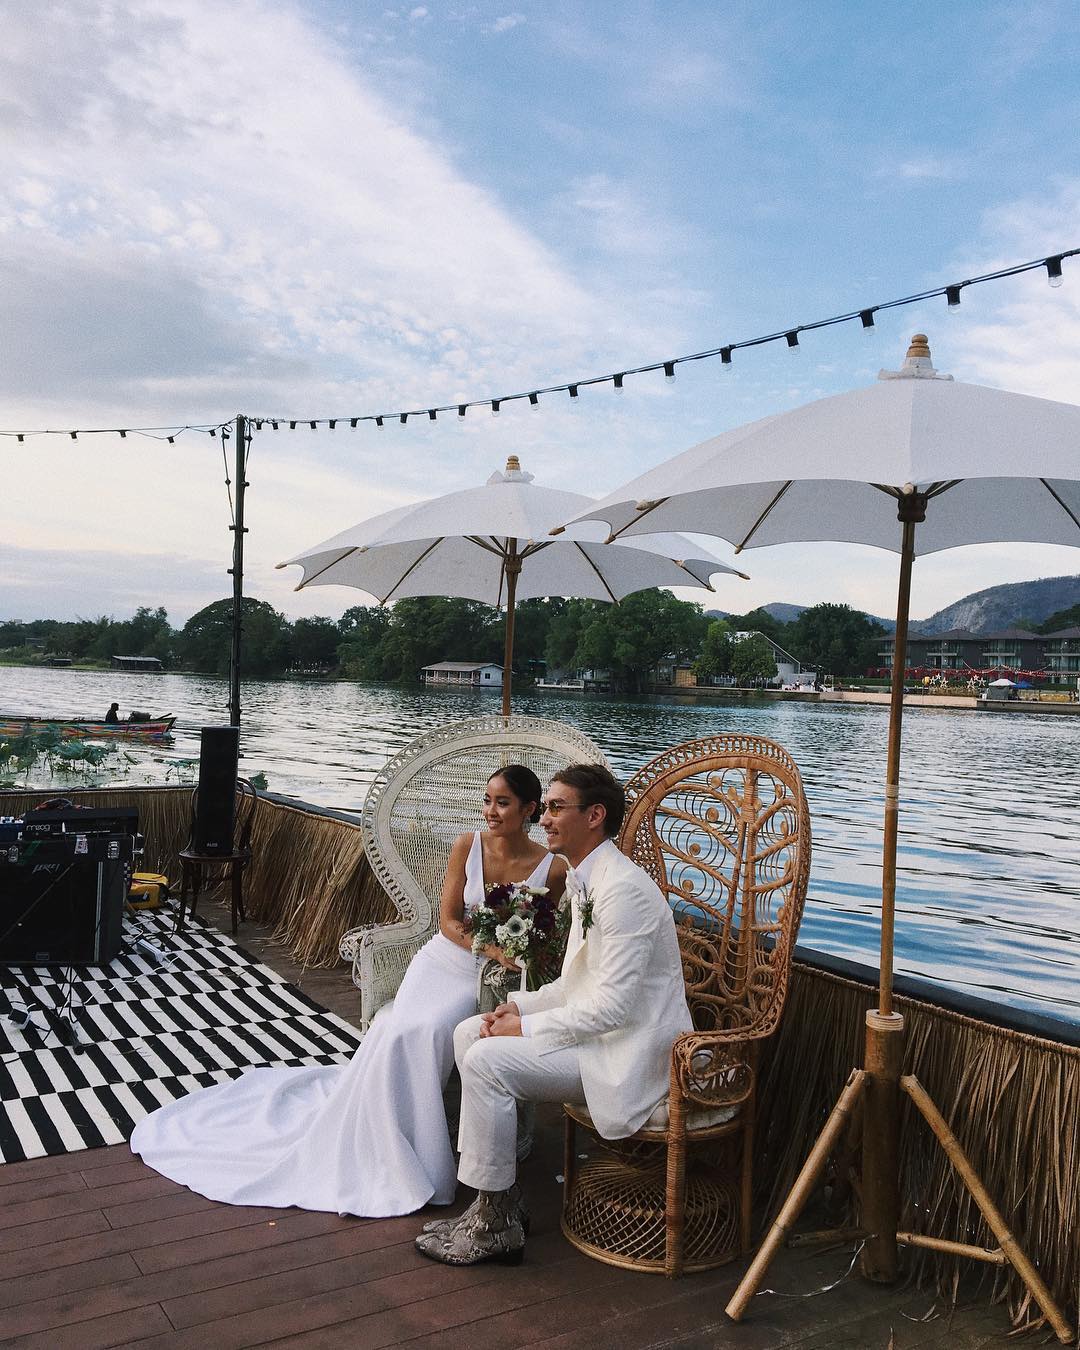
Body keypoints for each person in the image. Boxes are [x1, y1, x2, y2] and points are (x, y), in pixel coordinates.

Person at [130, 764, 566, 1217]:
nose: (490, 811)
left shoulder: (552, 869)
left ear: (529, 810)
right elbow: (448, 922)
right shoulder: (467, 845)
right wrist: (491, 946)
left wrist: (517, 952)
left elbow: (546, 936)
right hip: (444, 960)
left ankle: (413, 1138)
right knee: (400, 1029)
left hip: (487, 978)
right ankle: (386, 1132)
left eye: (502, 803)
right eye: (487, 800)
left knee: (428, 1031)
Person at [415, 763, 692, 1267]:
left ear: (595, 816)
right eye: (544, 808)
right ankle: (498, 1202)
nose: (543, 818)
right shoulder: (588, 878)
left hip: (628, 1055)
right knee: (470, 1032)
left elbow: (613, 1008)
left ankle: (494, 1227)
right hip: (597, 1038)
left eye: (556, 807)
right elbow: (574, 985)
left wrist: (525, 1027)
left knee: (486, 1061)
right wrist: (519, 1005)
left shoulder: (623, 890)